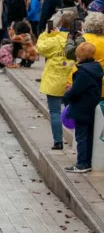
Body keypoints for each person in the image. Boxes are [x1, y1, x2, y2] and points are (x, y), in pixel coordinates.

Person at [37, 11, 77, 151]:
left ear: (60, 23)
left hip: (54, 80)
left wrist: (47, 33)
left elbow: (40, 47)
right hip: (73, 80)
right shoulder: (79, 40)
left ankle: (58, 141)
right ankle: (76, 143)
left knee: (55, 112)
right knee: (75, 111)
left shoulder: (54, 39)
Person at [63, 42, 104, 173]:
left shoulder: (83, 72)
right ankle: (88, 161)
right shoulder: (96, 68)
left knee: (81, 136)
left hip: (81, 108)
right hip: (91, 106)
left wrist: (66, 95)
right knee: (89, 135)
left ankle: (82, 163)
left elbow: (76, 91)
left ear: (79, 56)